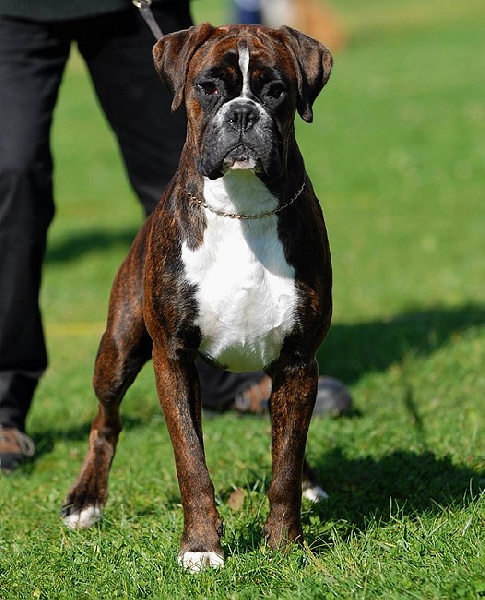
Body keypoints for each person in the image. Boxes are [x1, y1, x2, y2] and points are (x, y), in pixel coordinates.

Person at [0, 1, 351, 471]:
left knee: (179, 166)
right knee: (12, 179)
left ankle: (228, 373)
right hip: (17, 11)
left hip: (133, 6)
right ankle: (3, 402)